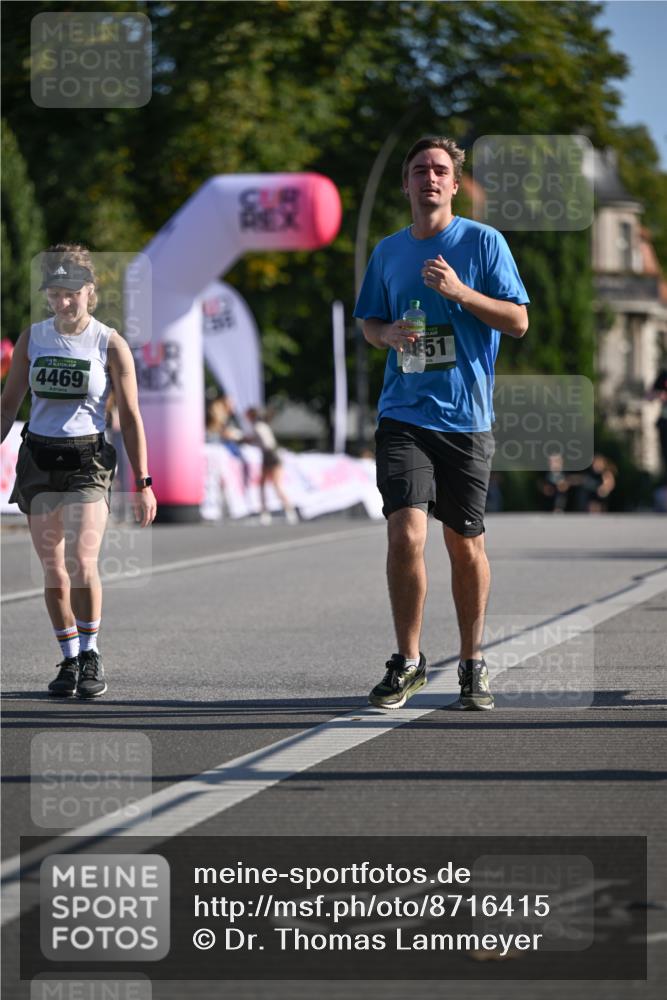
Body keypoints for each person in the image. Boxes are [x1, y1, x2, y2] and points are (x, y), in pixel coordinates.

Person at [354, 136, 529, 710]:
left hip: (466, 419)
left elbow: (518, 321)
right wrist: (387, 335)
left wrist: (460, 291)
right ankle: (407, 660)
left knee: (465, 544)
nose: (429, 178)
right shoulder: (387, 252)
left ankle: (473, 661)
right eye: (419, 170)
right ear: (405, 184)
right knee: (406, 531)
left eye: (440, 170)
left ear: (454, 184)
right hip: (403, 412)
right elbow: (370, 324)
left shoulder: (483, 242)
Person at [0, 244, 157, 698]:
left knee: (80, 561)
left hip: (87, 461)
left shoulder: (109, 342)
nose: (64, 301)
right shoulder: (33, 338)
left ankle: (91, 653)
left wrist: (143, 482)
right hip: (39, 459)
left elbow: (130, 417)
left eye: (72, 292)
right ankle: (69, 659)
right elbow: (10, 404)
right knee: (53, 570)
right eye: (55, 293)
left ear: (90, 292)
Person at [245, 406, 298, 525]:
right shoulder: (260, 425)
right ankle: (267, 512)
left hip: (271, 456)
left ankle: (287, 510)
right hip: (269, 455)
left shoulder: (258, 426)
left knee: (276, 485)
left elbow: (265, 443)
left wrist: (249, 441)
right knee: (264, 485)